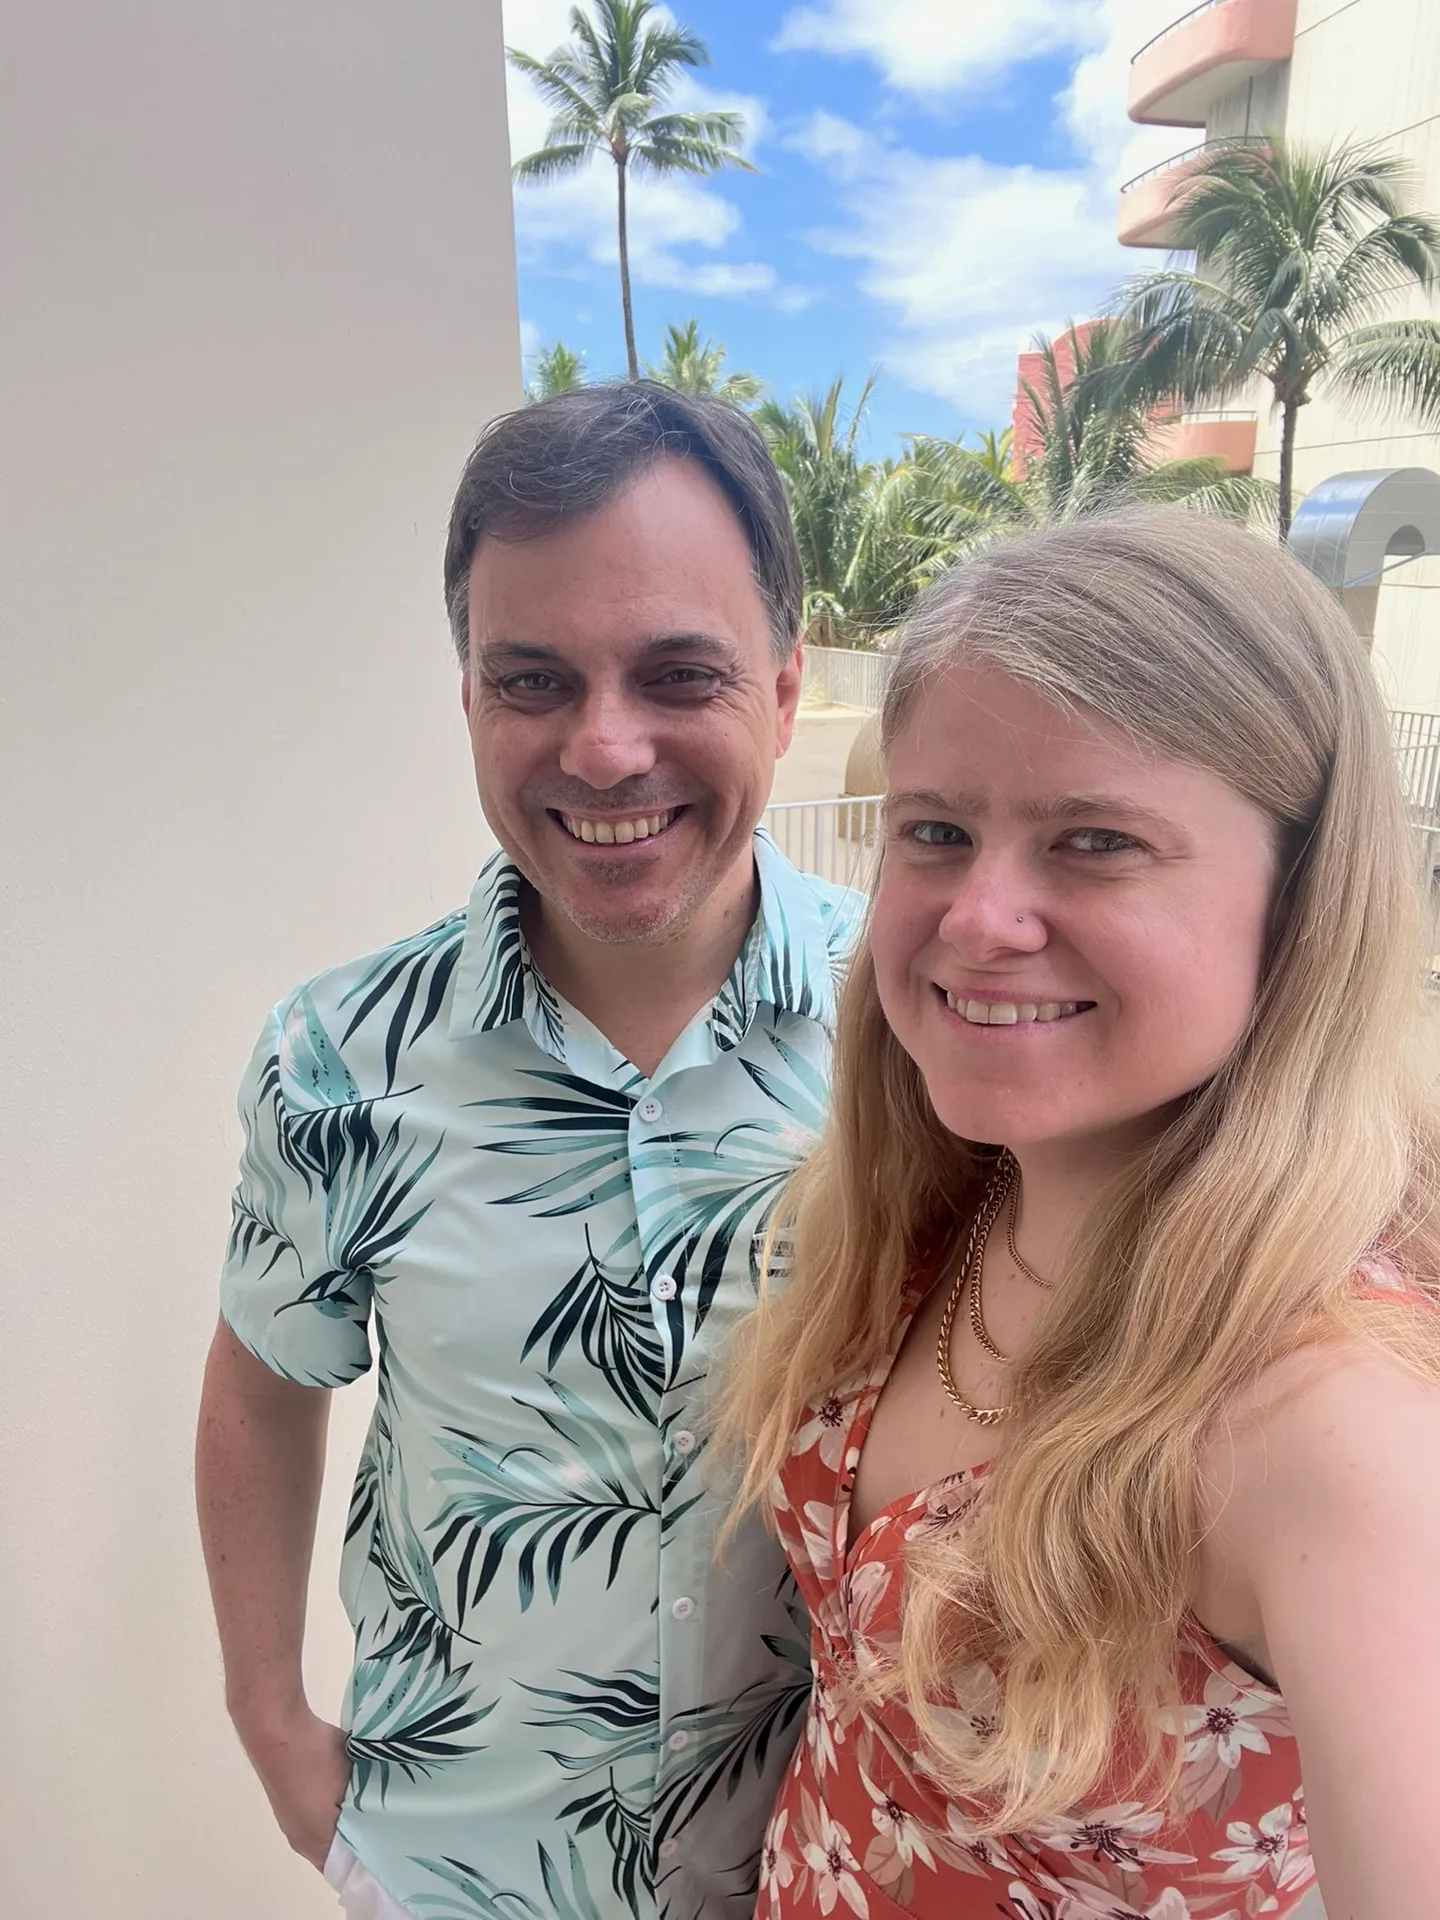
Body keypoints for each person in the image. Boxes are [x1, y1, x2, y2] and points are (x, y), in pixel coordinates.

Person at [195, 383, 862, 1920]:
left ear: (781, 691)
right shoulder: (339, 1062)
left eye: (678, 673)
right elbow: (264, 1383)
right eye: (533, 681)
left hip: (827, 1870)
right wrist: (273, 1729)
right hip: (459, 1871)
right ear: (470, 704)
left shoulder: (918, 1035)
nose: (605, 749)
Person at [720, 511, 1440, 1920]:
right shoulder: (945, 1197)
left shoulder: (1332, 1420)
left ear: (1300, 900)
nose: (979, 917)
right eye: (937, 831)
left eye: (1096, 841)